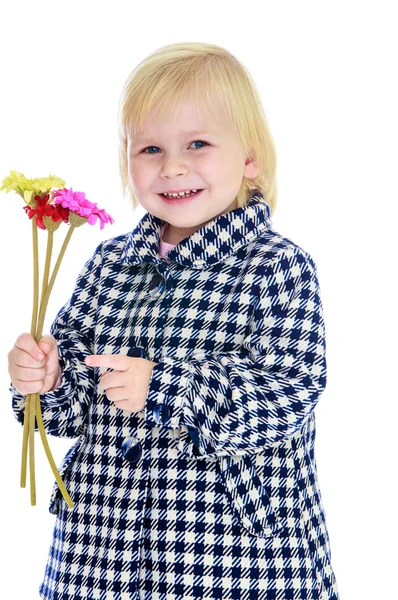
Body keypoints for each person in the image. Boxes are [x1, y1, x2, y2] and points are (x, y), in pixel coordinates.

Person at [8, 42, 340, 600]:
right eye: (151, 148)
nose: (173, 166)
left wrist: (164, 387)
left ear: (250, 159)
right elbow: (68, 408)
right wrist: (46, 379)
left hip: (233, 561)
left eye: (198, 144)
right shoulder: (110, 265)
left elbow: (289, 395)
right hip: (98, 559)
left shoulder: (276, 266)